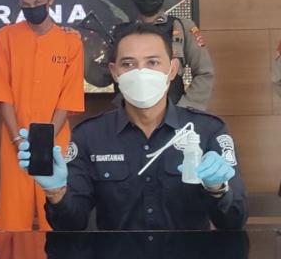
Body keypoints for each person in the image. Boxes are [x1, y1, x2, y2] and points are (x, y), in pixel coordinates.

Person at [19, 24, 247, 230]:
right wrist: (56, 192)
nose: (141, 72)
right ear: (115, 72)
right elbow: (70, 226)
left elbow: (234, 222)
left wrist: (218, 188)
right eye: (128, 64)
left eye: (152, 62)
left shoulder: (208, 131)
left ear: (172, 69)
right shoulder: (89, 136)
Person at [0, 0, 85, 231]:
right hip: (16, 138)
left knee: (55, 209)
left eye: (37, 3)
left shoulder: (70, 41)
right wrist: (16, 139)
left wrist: (46, 138)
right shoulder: (5, 37)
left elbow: (69, 96)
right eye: (26, 5)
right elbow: (2, 92)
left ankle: (59, 258)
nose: (32, 9)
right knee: (13, 217)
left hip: (56, 139)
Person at [86, 0, 215, 110]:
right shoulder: (121, 32)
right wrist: (81, 53)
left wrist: (186, 109)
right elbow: (102, 78)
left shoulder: (182, 27)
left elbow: (204, 73)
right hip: (128, 116)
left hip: (173, 114)